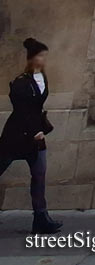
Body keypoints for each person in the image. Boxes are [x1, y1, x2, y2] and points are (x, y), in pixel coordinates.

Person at [0, 38, 60, 234]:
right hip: (17, 134)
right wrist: (31, 132)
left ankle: (41, 218)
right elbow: (22, 110)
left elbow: (37, 109)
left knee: (39, 174)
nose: (43, 59)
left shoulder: (42, 78)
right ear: (32, 58)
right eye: (40, 56)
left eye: (44, 56)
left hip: (37, 135)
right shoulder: (20, 82)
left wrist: (41, 130)